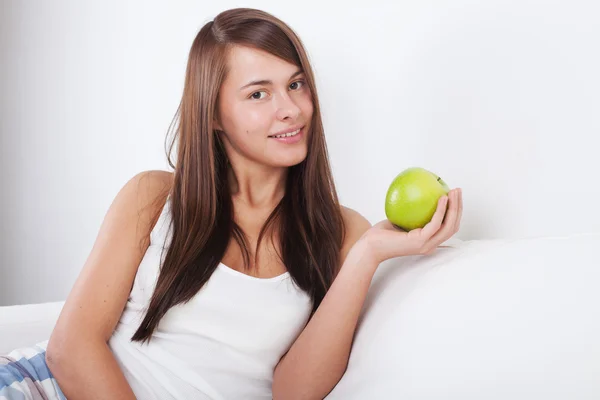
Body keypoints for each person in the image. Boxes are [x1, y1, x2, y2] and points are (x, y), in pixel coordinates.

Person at [33, 7, 462, 400]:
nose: (290, 109)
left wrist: (368, 255)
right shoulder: (153, 198)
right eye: (259, 94)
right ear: (214, 115)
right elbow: (70, 350)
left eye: (296, 85)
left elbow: (293, 392)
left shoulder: (343, 234)